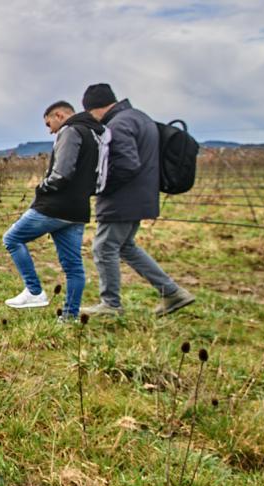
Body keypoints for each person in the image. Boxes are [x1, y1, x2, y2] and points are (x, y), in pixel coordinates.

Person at [80, 84, 195, 316]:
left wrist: (98, 188)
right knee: (125, 247)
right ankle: (172, 293)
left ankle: (110, 304)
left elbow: (126, 165)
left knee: (104, 247)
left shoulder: (118, 124)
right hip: (140, 196)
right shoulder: (139, 117)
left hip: (123, 199)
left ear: (95, 109)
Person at [2, 101, 109, 319]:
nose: (50, 130)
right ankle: (69, 317)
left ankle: (34, 291)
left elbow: (62, 172)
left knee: (12, 239)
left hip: (55, 206)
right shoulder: (95, 135)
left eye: (49, 123)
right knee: (73, 267)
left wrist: (42, 187)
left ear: (59, 115)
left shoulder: (70, 131)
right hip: (78, 210)